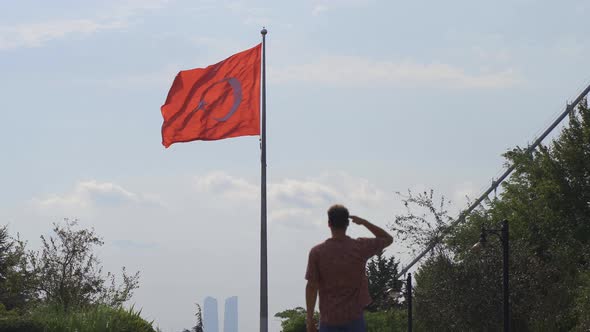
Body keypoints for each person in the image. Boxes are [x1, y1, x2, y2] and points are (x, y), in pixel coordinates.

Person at [305, 204, 393, 332]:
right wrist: (364, 222)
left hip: (329, 319)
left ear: (329, 223)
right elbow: (387, 239)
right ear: (347, 223)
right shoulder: (360, 247)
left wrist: (309, 319)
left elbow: (312, 287)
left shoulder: (317, 252)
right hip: (354, 318)